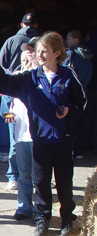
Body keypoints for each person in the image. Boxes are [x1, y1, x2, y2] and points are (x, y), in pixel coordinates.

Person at [0, 32, 87, 236]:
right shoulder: (30, 76)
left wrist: (69, 109)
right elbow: (6, 84)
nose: (40, 55)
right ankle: (42, 219)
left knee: (64, 182)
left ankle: (66, 219)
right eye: (38, 51)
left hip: (63, 139)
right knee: (42, 182)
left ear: (57, 53)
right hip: (40, 140)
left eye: (44, 51)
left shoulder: (68, 75)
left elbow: (82, 102)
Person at [0, 13, 40, 190]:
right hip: (15, 108)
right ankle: (13, 175)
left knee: (27, 147)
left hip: (25, 112)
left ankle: (30, 176)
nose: (27, 56)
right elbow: (7, 106)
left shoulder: (10, 41)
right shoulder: (18, 77)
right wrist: (8, 115)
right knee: (16, 144)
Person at [8, 41, 40, 221]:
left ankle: (40, 209)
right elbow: (11, 105)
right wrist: (8, 116)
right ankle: (24, 207)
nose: (29, 52)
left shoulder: (43, 76)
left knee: (39, 176)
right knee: (23, 174)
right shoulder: (19, 76)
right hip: (21, 133)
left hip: (38, 135)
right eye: (27, 50)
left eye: (33, 49)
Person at [63, 29, 94, 159]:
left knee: (69, 123)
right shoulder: (88, 55)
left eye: (68, 39)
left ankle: (69, 151)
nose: (66, 42)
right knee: (81, 123)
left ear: (75, 40)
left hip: (71, 94)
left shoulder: (71, 54)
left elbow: (64, 72)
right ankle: (79, 151)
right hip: (85, 93)